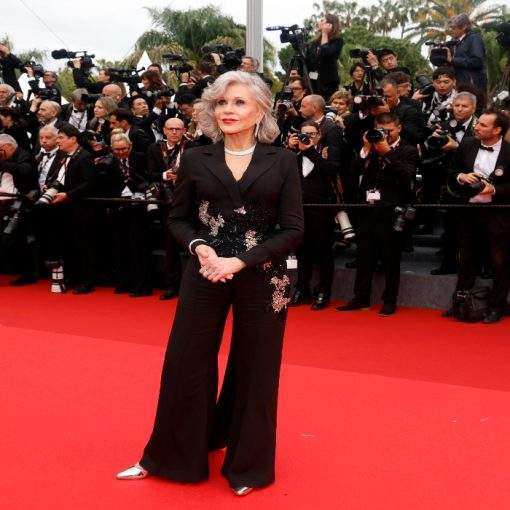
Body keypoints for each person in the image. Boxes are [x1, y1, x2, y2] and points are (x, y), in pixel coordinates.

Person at [116, 70, 304, 496]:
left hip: (262, 272)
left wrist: (240, 260)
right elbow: (178, 219)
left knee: (256, 367)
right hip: (205, 268)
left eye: (238, 102)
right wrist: (201, 247)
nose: (227, 110)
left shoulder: (282, 161)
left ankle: (249, 467)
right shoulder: (197, 158)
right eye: (221, 102)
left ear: (260, 109)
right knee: (185, 360)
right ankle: (169, 458)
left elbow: (293, 228)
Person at [337, 113, 418, 316]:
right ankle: (360, 297)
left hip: (392, 212)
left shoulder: (408, 150)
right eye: (381, 130)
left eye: (389, 131)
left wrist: (387, 152)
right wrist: (366, 149)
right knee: (363, 257)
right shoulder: (371, 147)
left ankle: (389, 300)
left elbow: (406, 178)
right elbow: (353, 171)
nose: (385, 135)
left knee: (391, 260)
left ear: (399, 128)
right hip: (367, 211)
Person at [445, 109, 510, 323]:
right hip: (468, 211)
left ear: (497, 130)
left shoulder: (509, 152)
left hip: (497, 214)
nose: (477, 126)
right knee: (466, 258)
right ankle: (460, 301)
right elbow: (451, 171)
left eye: (483, 125)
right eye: (478, 123)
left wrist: (495, 189)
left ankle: (497, 306)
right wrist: (461, 176)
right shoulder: (467, 144)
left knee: (499, 262)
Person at [289, 120, 337, 310]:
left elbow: (331, 171)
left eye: (311, 134)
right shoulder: (293, 156)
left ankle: (324, 291)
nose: (307, 137)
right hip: (299, 212)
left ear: (318, 136)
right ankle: (302, 289)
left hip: (321, 212)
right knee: (302, 253)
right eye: (304, 134)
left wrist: (310, 151)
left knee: (324, 254)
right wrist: (291, 150)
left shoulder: (327, 152)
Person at [147, 117, 189, 300]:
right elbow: (150, 174)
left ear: (184, 130)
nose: (174, 132)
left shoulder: (192, 147)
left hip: (189, 201)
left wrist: (182, 177)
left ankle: (192, 287)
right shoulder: (155, 148)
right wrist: (165, 175)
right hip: (167, 202)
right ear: (164, 130)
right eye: (170, 129)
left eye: (178, 129)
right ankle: (172, 286)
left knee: (191, 245)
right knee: (170, 246)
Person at [447, 14, 487, 97]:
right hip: (461, 86)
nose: (451, 30)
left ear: (464, 27)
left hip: (473, 87)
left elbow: (477, 62)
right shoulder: (456, 43)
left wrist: (453, 60)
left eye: (453, 28)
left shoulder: (474, 38)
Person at [305, 13, 343, 99]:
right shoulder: (314, 43)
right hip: (312, 82)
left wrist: (325, 34)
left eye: (322, 20)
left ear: (330, 24)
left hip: (328, 85)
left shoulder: (337, 41)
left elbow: (325, 53)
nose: (319, 22)